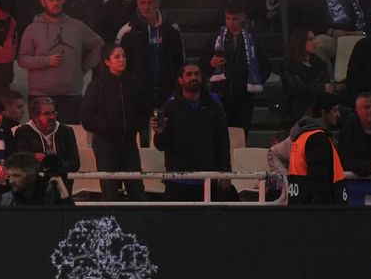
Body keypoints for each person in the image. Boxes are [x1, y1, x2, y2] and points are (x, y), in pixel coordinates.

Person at [18, 0, 103, 124]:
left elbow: (98, 45)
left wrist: (83, 67)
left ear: (63, 0)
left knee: (69, 138)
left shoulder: (77, 26)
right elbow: (22, 59)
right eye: (51, 0)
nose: (55, 3)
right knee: (41, 139)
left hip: (71, 95)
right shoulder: (32, 29)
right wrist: (46, 61)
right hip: (40, 96)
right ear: (43, 2)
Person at [153, 62, 233, 202]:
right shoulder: (170, 108)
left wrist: (226, 173)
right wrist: (159, 131)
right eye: (188, 74)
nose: (193, 77)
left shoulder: (214, 107)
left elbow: (222, 142)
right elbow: (160, 146)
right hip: (177, 180)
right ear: (180, 80)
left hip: (207, 179)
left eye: (196, 73)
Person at [82, 45, 147, 201]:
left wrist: (136, 125)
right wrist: (105, 126)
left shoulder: (134, 84)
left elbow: (144, 109)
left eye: (123, 56)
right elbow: (86, 115)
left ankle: (141, 221)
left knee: (136, 188)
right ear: (107, 61)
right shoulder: (97, 85)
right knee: (109, 189)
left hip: (128, 142)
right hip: (105, 143)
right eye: (117, 57)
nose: (122, 60)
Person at [116, 0, 185, 112]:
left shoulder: (172, 28)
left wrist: (177, 88)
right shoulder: (127, 31)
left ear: (157, 3)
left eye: (150, 2)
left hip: (167, 91)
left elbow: (180, 60)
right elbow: (120, 65)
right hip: (139, 94)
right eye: (143, 3)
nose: (146, 7)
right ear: (137, 3)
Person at [208, 0, 268, 132]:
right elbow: (203, 64)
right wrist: (211, 64)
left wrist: (254, 80)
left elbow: (265, 66)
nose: (230, 22)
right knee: (221, 132)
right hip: (221, 94)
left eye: (234, 18)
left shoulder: (254, 38)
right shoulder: (217, 37)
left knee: (241, 133)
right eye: (227, 18)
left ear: (242, 17)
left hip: (244, 96)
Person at [285, 95, 347, 205]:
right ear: (323, 112)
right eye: (335, 110)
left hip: (299, 203)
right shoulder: (318, 139)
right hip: (316, 211)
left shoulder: (301, 136)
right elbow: (318, 180)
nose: (339, 114)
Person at [13, 96, 81, 181]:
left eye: (53, 113)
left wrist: (47, 160)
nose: (52, 117)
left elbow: (74, 164)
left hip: (62, 185)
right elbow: (25, 164)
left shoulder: (66, 131)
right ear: (35, 116)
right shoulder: (23, 132)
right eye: (46, 114)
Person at [0, 152, 70, 206]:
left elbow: (72, 222)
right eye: (9, 176)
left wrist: (62, 190)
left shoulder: (51, 196)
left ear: (32, 175)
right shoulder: (2, 201)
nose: (11, 181)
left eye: (16, 176)